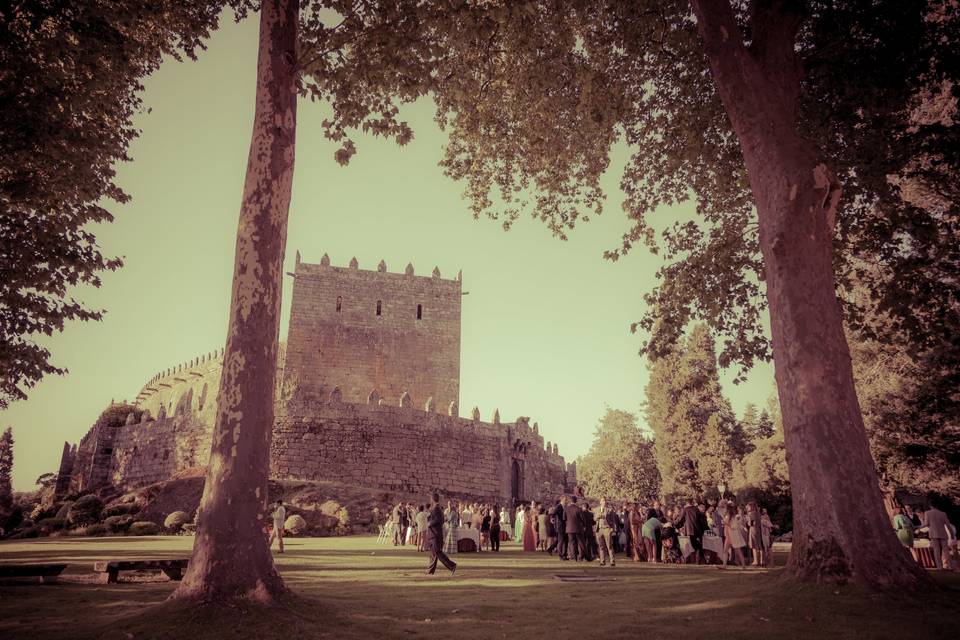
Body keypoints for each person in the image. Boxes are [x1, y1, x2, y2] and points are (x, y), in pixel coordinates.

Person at [425, 493, 457, 575]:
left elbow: (439, 520)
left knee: (438, 552)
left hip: (435, 534)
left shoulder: (437, 509)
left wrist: (429, 523)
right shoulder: (436, 509)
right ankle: (430, 570)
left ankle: (452, 565)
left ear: (432, 499)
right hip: (434, 534)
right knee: (433, 554)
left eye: (430, 499)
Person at [922, 499, 952, 570]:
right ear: (937, 506)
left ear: (930, 506)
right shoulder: (943, 513)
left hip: (933, 534)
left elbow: (926, 524)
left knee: (936, 551)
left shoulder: (927, 513)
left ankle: (939, 566)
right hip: (943, 533)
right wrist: (952, 534)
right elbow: (948, 525)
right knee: (946, 551)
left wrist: (918, 527)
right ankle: (949, 566)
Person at [723, 501, 746, 567]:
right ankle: (724, 565)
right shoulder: (728, 516)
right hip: (728, 535)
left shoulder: (733, 517)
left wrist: (726, 523)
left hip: (733, 535)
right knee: (725, 550)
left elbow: (734, 527)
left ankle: (743, 565)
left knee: (738, 550)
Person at [595, 497, 617, 567]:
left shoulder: (609, 510)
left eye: (605, 500)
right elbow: (594, 518)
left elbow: (613, 520)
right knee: (601, 546)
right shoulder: (596, 509)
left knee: (609, 546)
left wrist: (612, 528)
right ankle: (602, 561)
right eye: (603, 501)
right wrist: (598, 516)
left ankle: (612, 561)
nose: (604, 502)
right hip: (599, 529)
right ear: (600, 502)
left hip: (607, 529)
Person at [564, 496, 584, 561]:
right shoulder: (579, 509)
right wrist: (583, 524)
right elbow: (582, 519)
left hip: (569, 528)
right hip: (578, 528)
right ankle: (581, 556)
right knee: (580, 542)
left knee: (572, 543)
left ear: (570, 501)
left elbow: (564, 518)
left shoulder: (566, 509)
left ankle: (574, 556)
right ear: (576, 501)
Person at [746, 501, 764, 566]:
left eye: (748, 506)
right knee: (759, 545)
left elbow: (750, 523)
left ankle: (756, 560)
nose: (747, 508)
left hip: (753, 530)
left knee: (754, 545)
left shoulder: (751, 514)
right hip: (758, 530)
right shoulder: (758, 513)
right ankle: (761, 560)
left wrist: (748, 521)